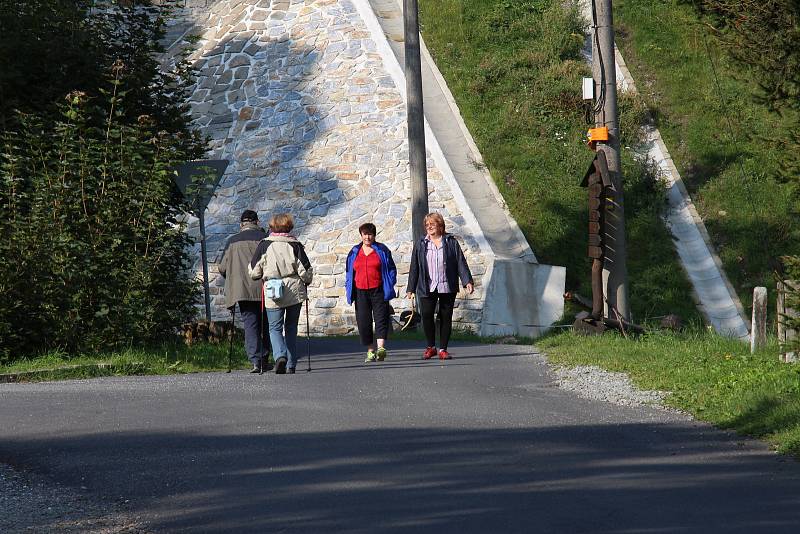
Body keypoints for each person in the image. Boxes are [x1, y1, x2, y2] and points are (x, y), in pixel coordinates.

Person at [249, 213, 313, 374]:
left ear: (272, 227)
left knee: (274, 328)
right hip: (294, 290)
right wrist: (307, 280)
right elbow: (306, 271)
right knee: (291, 327)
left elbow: (253, 271)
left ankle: (280, 356)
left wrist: (262, 274)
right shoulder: (295, 245)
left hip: (273, 289)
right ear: (289, 227)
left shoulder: (264, 245)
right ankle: (291, 364)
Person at [406, 212, 474, 360]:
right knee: (427, 315)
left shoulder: (450, 242)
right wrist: (411, 288)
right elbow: (414, 266)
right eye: (427, 225)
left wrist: (467, 281)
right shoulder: (421, 243)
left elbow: (460, 262)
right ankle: (431, 347)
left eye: (432, 224)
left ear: (440, 225)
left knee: (445, 317)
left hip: (447, 285)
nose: (429, 227)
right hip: (427, 285)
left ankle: (443, 349)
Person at [218, 209, 272, 373]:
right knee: (266, 324)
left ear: (241, 224)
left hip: (242, 290)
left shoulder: (232, 241)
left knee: (250, 324)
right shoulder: (265, 239)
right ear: (257, 222)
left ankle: (255, 360)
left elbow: (222, 267)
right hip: (263, 287)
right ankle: (265, 358)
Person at [345, 223, 398, 363]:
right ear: (361, 235)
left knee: (381, 318)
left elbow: (392, 268)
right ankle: (370, 351)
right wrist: (348, 286)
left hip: (378, 289)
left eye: (370, 234)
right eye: (365, 234)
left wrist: (390, 282)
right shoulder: (354, 251)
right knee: (364, 322)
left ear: (374, 235)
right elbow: (349, 271)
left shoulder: (382, 250)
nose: (367, 237)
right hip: (360, 291)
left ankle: (381, 349)